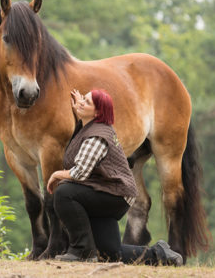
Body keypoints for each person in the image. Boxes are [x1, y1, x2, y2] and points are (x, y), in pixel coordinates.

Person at [47, 89, 183, 266]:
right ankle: (159, 254)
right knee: (111, 253)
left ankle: (81, 251)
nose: (80, 102)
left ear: (97, 113)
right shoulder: (93, 126)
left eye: (86, 102)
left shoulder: (97, 136)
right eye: (83, 99)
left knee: (64, 192)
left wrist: (56, 174)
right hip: (110, 193)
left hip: (114, 196)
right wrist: (80, 108)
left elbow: (79, 173)